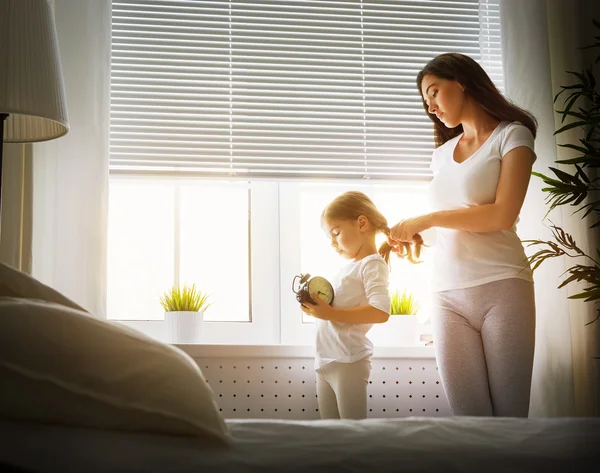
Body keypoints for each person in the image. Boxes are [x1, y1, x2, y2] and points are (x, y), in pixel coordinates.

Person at [387, 53, 538, 417]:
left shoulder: (512, 136)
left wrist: (429, 218)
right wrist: (422, 235)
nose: (432, 106)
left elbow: (503, 215)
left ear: (463, 81)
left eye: (435, 92)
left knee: (509, 422)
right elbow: (450, 227)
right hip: (445, 295)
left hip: (502, 287)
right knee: (470, 424)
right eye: (426, 101)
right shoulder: (440, 156)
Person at [300, 191, 422, 420]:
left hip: (348, 360)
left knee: (353, 432)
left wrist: (330, 313)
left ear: (362, 223)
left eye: (336, 233)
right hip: (325, 360)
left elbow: (380, 311)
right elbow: (334, 311)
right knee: (332, 433)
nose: (333, 244)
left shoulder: (372, 264)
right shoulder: (347, 268)